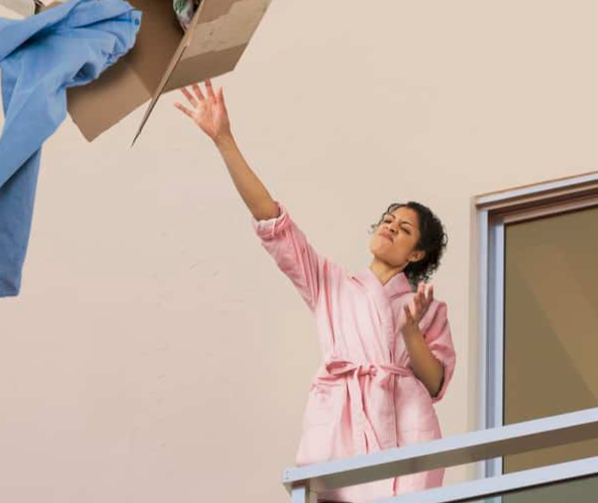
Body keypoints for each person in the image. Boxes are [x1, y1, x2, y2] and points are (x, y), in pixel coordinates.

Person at [175, 79, 456, 502]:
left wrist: (411, 333)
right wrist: (224, 140)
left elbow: (433, 384)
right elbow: (273, 221)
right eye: (388, 219)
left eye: (403, 229)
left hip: (404, 424)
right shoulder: (331, 285)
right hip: (341, 422)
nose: (390, 228)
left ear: (417, 254)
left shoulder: (425, 309)